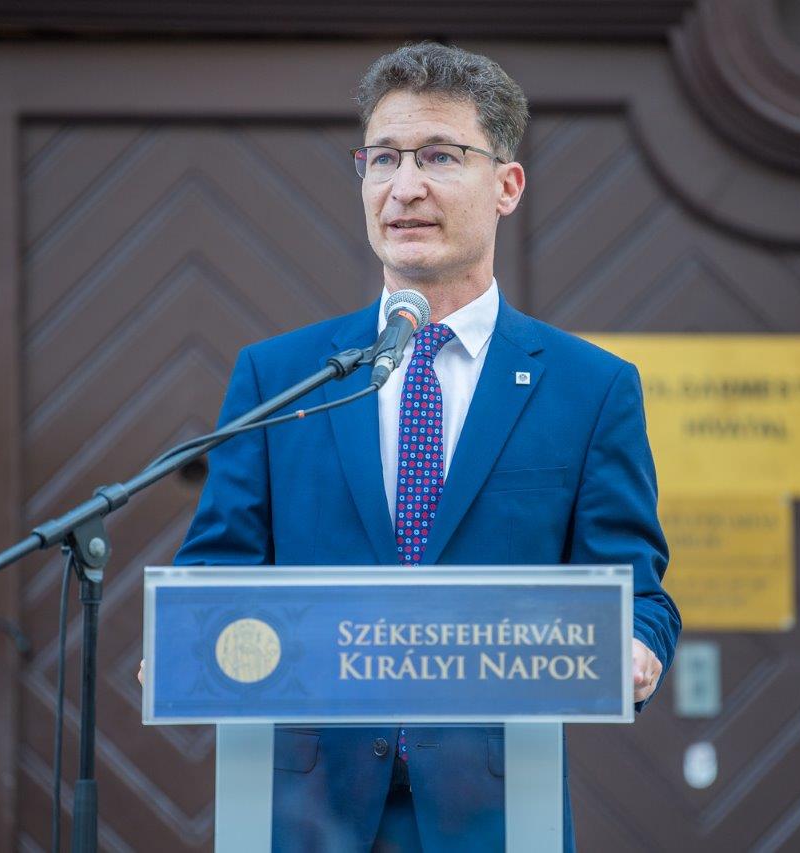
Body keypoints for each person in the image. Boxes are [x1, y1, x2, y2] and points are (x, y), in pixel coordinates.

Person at [156, 42, 681, 852]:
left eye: (439, 155)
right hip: (308, 815)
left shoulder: (590, 388)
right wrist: (186, 635)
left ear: (507, 186)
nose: (404, 187)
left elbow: (639, 593)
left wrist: (638, 645)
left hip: (497, 816)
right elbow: (215, 573)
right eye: (383, 158)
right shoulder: (281, 377)